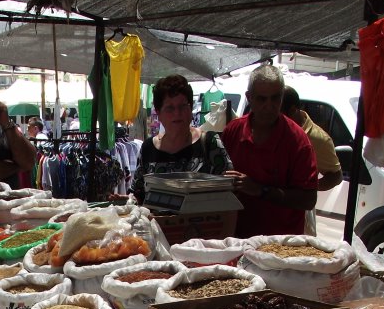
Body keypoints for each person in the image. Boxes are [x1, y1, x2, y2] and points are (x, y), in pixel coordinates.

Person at [222, 65, 318, 237]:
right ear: (248, 98)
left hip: (280, 247)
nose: (269, 106)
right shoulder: (233, 131)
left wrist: (261, 190)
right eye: (262, 99)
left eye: (275, 99)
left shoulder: (298, 141)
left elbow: (309, 199)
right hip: (238, 239)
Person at [130, 74, 232, 203]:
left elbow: (229, 192)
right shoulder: (148, 148)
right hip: (157, 223)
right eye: (170, 108)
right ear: (159, 113)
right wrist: (128, 200)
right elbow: (138, 193)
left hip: (202, 222)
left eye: (183, 106)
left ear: (190, 109)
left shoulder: (209, 143)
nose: (177, 113)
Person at [282, 85, 343, 235]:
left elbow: (335, 176)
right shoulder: (268, 128)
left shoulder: (318, 138)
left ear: (292, 110)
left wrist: (308, 189)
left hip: (299, 216)